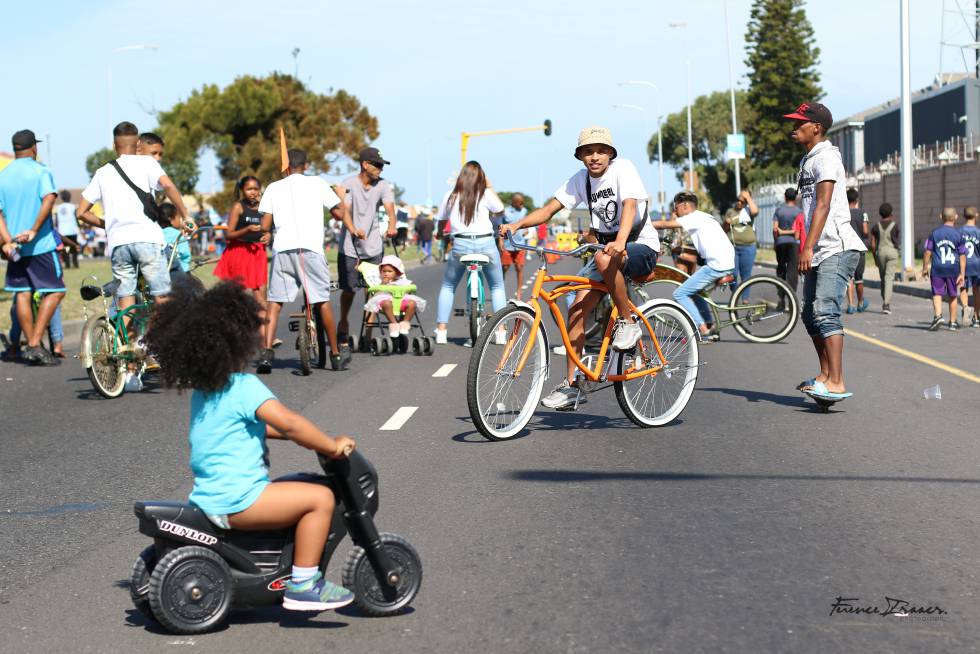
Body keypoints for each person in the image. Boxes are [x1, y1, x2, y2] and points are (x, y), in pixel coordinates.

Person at [145, 280, 356, 612]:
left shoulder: (207, 390)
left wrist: (292, 437)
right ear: (239, 340)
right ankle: (304, 584)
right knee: (320, 498)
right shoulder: (244, 387)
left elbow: (248, 429)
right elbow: (290, 422)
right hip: (239, 500)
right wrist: (329, 445)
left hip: (208, 498)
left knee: (293, 489)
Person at [500, 126, 660, 410]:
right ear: (581, 156)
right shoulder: (580, 180)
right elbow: (548, 211)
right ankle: (572, 385)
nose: (594, 157)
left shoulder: (623, 168)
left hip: (640, 246)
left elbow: (631, 206)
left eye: (600, 151)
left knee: (601, 259)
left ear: (610, 153)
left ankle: (628, 323)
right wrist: (517, 224)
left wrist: (621, 241)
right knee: (573, 307)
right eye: (588, 152)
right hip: (606, 251)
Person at [783, 101, 866, 400]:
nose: (793, 128)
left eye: (799, 123)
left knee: (825, 311)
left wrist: (806, 247)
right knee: (809, 315)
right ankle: (826, 374)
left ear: (816, 128)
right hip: (820, 248)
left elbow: (823, 204)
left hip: (837, 247)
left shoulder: (826, 157)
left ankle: (838, 380)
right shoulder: (809, 159)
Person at [76, 121, 190, 319]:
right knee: (161, 295)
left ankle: (125, 345)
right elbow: (169, 187)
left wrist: (107, 224)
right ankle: (160, 344)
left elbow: (81, 212)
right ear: (138, 144)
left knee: (125, 297)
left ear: (114, 145)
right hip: (147, 239)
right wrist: (186, 215)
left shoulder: (103, 172)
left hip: (119, 243)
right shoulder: (147, 163)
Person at [257, 148, 348, 372]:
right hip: (310, 250)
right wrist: (341, 197)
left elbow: (265, 225)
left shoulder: (273, 187)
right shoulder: (317, 183)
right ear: (306, 166)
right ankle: (335, 354)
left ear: (286, 166)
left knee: (275, 302)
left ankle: (267, 354)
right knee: (321, 300)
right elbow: (339, 213)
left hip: (283, 250)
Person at [0, 129, 64, 366]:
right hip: (41, 246)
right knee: (56, 291)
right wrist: (35, 230)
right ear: (34, 148)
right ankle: (35, 343)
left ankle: (32, 346)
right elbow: (49, 198)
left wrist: (7, 241)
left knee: (22, 294)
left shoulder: (3, 175)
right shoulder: (41, 171)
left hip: (15, 248)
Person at [434, 161, 507, 345]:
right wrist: (490, 186)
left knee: (449, 285)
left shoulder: (451, 195)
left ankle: (441, 331)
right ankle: (500, 332)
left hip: (460, 244)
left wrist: (439, 232)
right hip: (486, 243)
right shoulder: (485, 193)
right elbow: (500, 210)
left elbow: (442, 220)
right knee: (497, 286)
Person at [652, 192, 736, 341]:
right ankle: (708, 324)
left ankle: (703, 330)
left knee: (680, 293)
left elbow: (663, 224)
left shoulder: (693, 218)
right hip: (724, 261)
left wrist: (640, 225)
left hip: (717, 264)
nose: (674, 211)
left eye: (675, 207)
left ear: (685, 205)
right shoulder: (704, 216)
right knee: (694, 291)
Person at [336, 147, 398, 343]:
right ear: (365, 165)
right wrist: (353, 229)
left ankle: (368, 330)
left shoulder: (383, 185)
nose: (380, 168)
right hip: (350, 246)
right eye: (377, 165)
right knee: (349, 289)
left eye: (382, 165)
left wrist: (392, 224)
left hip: (373, 246)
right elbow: (344, 209)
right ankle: (344, 321)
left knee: (373, 290)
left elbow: (390, 207)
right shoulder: (348, 184)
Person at [214, 175, 269, 342]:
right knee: (235, 293)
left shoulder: (265, 208)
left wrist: (268, 236)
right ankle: (230, 331)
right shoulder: (238, 207)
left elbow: (268, 229)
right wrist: (246, 230)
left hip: (257, 253)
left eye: (256, 188)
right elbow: (228, 235)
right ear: (242, 191)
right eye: (249, 189)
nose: (253, 192)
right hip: (238, 251)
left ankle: (266, 337)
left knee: (260, 294)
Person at [922, 207, 967, 331]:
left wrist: (925, 268)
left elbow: (927, 252)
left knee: (937, 293)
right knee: (953, 295)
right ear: (956, 217)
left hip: (938, 269)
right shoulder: (959, 235)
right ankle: (953, 322)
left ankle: (938, 316)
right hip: (953, 270)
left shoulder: (935, 233)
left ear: (941, 216)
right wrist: (962, 273)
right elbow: (963, 256)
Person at [364, 254, 426, 335]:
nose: (386, 274)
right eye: (384, 271)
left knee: (412, 303)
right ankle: (394, 323)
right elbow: (375, 293)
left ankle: (405, 322)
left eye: (389, 271)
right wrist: (382, 284)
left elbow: (409, 289)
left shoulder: (402, 282)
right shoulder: (381, 282)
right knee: (386, 303)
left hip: (400, 301)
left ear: (397, 273)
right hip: (386, 304)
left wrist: (408, 289)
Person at [723, 188, 759, 297]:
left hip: (748, 247)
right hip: (733, 247)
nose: (739, 202)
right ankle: (735, 295)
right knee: (732, 274)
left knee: (746, 275)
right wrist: (726, 222)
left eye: (742, 201)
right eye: (738, 200)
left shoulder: (748, 211)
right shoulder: (730, 211)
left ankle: (745, 298)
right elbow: (724, 229)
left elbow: (755, 211)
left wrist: (747, 197)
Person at [772, 187, 805, 293]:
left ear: (785, 197)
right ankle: (792, 299)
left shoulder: (779, 210)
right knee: (792, 272)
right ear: (795, 198)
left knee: (781, 269)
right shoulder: (799, 212)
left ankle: (781, 298)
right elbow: (800, 230)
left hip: (781, 242)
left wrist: (775, 242)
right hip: (794, 244)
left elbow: (775, 229)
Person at [869, 202, 900, 314]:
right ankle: (886, 304)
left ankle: (885, 301)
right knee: (889, 278)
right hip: (892, 252)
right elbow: (896, 239)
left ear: (880, 214)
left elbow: (872, 244)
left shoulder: (876, 226)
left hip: (880, 252)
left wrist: (875, 258)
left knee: (883, 278)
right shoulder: (894, 225)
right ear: (891, 213)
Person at [844, 188, 870, 314]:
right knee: (859, 279)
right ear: (857, 199)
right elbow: (865, 231)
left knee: (849, 279)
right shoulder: (862, 213)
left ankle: (851, 305)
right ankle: (860, 303)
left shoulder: (843, 212)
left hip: (846, 249)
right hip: (859, 249)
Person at [499, 193, 529, 300]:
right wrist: (501, 241)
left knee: (519, 268)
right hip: (508, 245)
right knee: (505, 267)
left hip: (520, 245)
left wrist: (526, 230)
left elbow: (527, 224)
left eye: (522, 203)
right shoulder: (506, 212)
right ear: (514, 202)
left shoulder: (524, 211)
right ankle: (500, 289)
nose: (522, 205)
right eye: (520, 203)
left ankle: (519, 291)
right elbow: (500, 227)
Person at [958, 206, 980, 327]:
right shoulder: (979, 232)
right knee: (976, 291)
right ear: (976, 215)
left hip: (964, 265)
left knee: (963, 288)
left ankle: (965, 307)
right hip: (977, 265)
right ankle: (977, 318)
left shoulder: (959, 232)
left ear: (963, 216)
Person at [158, 203, 192, 273]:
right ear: (171, 219)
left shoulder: (155, 233)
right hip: (180, 273)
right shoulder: (178, 235)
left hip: (160, 274)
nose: (180, 220)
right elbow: (186, 255)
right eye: (178, 217)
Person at [53, 190, 80, 268]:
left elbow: (56, 220)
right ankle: (75, 264)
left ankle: (67, 264)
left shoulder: (58, 207)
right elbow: (76, 218)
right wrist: (79, 227)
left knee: (65, 248)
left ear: (62, 198)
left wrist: (57, 228)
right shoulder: (72, 206)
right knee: (74, 246)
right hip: (72, 230)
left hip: (62, 231)